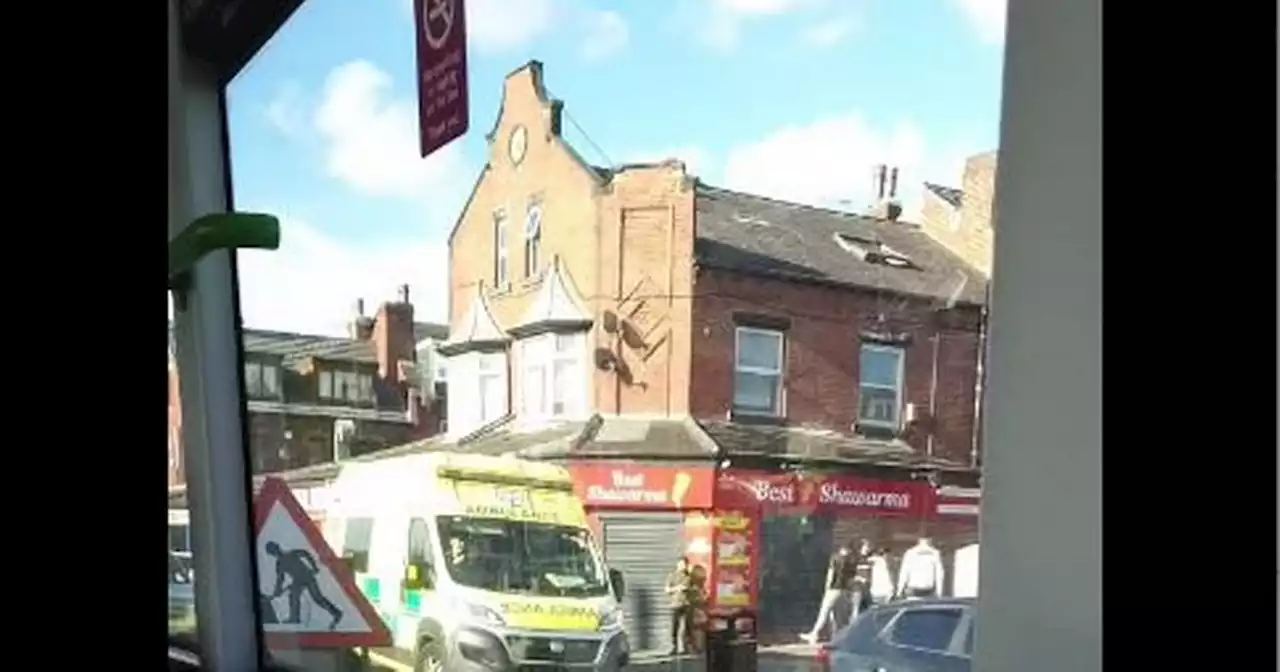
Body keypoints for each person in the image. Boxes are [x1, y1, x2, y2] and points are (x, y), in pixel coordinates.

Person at [265, 541, 344, 629]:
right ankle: (294, 617)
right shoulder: (280, 564)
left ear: (278, 547)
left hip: (308, 577)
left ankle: (336, 613)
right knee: (294, 594)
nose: (276, 553)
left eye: (275, 550)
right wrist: (277, 592)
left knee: (318, 598)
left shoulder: (292, 554)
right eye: (273, 552)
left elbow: (305, 554)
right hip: (298, 580)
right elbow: (280, 580)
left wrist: (314, 567)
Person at [800, 542, 859, 644]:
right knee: (839, 616)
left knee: (824, 612)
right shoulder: (852, 562)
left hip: (834, 589)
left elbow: (830, 575)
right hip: (844, 590)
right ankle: (839, 637)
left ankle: (814, 634)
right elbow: (851, 579)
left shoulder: (835, 558)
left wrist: (826, 588)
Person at [664, 556, 697, 656]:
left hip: (687, 604)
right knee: (675, 626)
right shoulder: (672, 576)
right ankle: (674, 647)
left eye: (685, 564)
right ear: (678, 564)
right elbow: (667, 590)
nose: (683, 566)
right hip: (675, 604)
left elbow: (695, 589)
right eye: (681, 564)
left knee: (688, 627)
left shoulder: (690, 577)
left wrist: (689, 589)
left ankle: (687, 647)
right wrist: (677, 588)